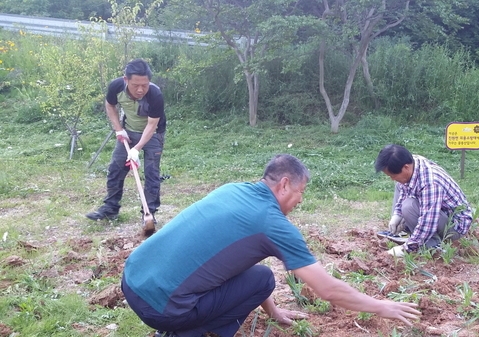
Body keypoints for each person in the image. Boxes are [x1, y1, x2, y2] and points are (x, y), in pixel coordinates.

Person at [121, 154, 421, 337]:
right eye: (301, 191)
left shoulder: (232, 189)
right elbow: (327, 289)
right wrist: (381, 306)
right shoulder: (273, 224)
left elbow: (236, 260)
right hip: (161, 309)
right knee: (263, 278)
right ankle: (186, 333)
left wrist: (274, 312)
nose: (301, 200)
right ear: (285, 184)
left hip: (132, 278)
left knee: (258, 277)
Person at [86, 59, 166, 223]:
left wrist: (136, 149)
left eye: (144, 84)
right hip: (128, 131)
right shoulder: (116, 87)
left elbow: (151, 126)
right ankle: (110, 209)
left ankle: (148, 214)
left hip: (153, 135)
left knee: (152, 173)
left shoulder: (155, 94)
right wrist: (119, 129)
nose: (140, 89)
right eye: (135, 84)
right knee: (116, 168)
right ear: (126, 80)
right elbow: (110, 105)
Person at [375, 144, 473, 255]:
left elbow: (428, 221)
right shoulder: (412, 163)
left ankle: (433, 246)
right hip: (439, 214)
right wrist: (396, 215)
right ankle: (404, 231)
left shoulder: (431, 182)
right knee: (400, 185)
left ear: (406, 167)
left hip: (454, 226)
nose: (392, 178)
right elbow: (404, 190)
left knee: (409, 206)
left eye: (392, 175)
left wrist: (407, 249)